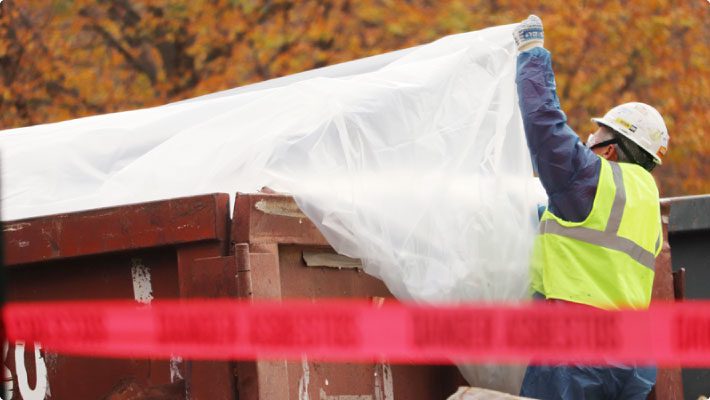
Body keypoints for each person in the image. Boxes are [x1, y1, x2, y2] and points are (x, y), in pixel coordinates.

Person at [512, 15, 670, 400]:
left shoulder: (590, 179)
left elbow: (543, 124)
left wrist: (532, 54)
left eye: (594, 135)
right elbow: (593, 248)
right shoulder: (646, 199)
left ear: (611, 149)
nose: (586, 141)